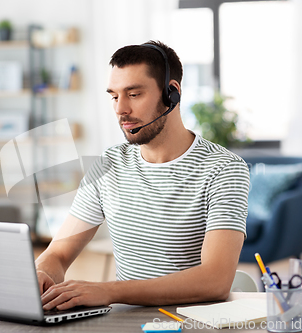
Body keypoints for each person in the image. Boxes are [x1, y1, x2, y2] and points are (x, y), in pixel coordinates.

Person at [36, 41, 249, 311]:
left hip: (192, 322)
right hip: (127, 322)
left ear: (172, 93)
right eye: (114, 96)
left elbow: (215, 281)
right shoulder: (108, 164)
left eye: (133, 94)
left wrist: (108, 291)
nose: (120, 109)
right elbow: (58, 253)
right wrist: (43, 273)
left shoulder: (224, 169)